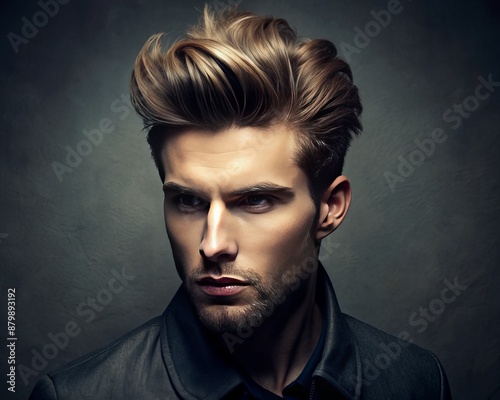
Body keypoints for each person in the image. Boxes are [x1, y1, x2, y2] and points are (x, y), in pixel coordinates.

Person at [29, 5, 452, 400]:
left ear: (330, 207)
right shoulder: (79, 394)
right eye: (189, 200)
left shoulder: (417, 382)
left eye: (255, 200)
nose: (212, 246)